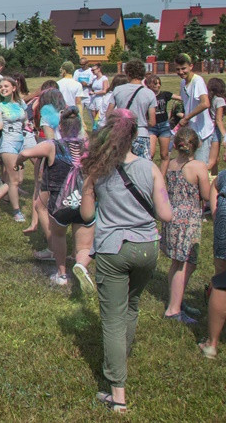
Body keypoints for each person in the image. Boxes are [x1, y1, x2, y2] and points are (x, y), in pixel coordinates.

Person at [79, 109, 173, 413]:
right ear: (134, 136)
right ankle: (122, 354)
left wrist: (87, 188)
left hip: (113, 250)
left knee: (112, 319)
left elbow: (86, 216)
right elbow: (166, 214)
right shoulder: (150, 168)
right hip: (147, 248)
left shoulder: (99, 172)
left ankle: (117, 396)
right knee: (131, 306)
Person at [17, 108, 92, 288]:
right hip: (85, 201)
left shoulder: (53, 145)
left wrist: (19, 162)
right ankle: (80, 264)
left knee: (59, 236)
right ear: (80, 127)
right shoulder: (89, 145)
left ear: (61, 128)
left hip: (60, 202)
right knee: (83, 244)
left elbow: (26, 153)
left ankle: (62, 274)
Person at [161, 127, 212, 324]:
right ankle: (173, 310)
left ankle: (177, 299)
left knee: (182, 263)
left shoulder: (172, 164)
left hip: (172, 216)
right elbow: (206, 196)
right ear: (196, 145)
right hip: (188, 220)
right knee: (182, 264)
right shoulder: (198, 166)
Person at [0, 78, 28, 222]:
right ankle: (17, 212)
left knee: (19, 179)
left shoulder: (20, 104)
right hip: (8, 143)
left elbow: (25, 120)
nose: (3, 89)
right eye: (1, 87)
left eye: (6, 86)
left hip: (21, 142)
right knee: (14, 180)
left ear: (14, 88)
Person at [106, 60, 157, 159]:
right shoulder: (149, 93)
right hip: (141, 133)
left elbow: (109, 114)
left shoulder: (118, 90)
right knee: (142, 167)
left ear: (127, 73)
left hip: (122, 133)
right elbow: (152, 122)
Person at [176, 54, 214, 165]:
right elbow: (186, 103)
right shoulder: (183, 82)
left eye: (184, 68)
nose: (181, 72)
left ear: (191, 66)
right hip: (191, 130)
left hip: (202, 131)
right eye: (178, 69)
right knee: (188, 164)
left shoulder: (198, 81)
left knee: (201, 165)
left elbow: (205, 103)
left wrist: (187, 117)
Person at [145, 73, 176, 164]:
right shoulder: (146, 96)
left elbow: (180, 98)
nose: (158, 85)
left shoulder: (165, 94)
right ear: (149, 85)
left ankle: (162, 177)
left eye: (159, 83)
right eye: (155, 83)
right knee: (150, 154)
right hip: (151, 126)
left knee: (164, 155)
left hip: (164, 126)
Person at [207, 77, 226, 175]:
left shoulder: (210, 99)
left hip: (207, 129)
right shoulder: (220, 100)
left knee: (215, 159)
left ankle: (214, 178)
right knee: (212, 160)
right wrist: (225, 136)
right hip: (215, 130)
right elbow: (218, 120)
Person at [74, 59, 96, 127]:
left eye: (83, 64)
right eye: (80, 64)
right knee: (78, 115)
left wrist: (87, 85)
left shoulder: (91, 71)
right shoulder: (77, 71)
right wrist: (80, 84)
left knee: (92, 114)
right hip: (79, 96)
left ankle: (94, 129)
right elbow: (74, 82)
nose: (82, 66)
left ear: (87, 63)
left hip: (89, 96)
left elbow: (95, 83)